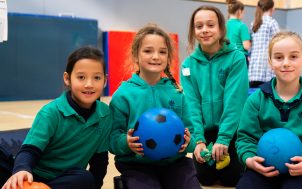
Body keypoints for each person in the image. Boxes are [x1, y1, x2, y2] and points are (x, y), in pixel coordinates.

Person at [235, 31, 302, 189]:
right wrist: (250, 159)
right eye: (278, 57)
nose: (286, 63)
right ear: (270, 62)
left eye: (293, 56)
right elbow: (245, 138)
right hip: (264, 167)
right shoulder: (256, 99)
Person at [1, 46, 112, 189]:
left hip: (64, 181)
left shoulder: (105, 115)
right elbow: (30, 149)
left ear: (105, 80)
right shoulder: (51, 112)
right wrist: (22, 170)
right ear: (67, 78)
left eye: (96, 77)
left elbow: (100, 161)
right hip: (31, 175)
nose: (89, 84)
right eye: (81, 77)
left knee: (85, 178)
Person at [109, 24, 201, 189]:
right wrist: (126, 143)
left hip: (175, 163)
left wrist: (189, 143)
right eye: (148, 51)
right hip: (137, 165)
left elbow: (192, 133)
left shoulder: (177, 93)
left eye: (162, 52)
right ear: (136, 56)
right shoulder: (123, 95)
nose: (156, 56)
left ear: (168, 57)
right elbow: (112, 138)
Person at [181, 5, 248, 187]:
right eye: (199, 26)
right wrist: (198, 141)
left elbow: (234, 102)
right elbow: (191, 105)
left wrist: (224, 139)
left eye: (210, 25)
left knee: (231, 179)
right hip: (205, 131)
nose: (204, 30)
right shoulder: (187, 65)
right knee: (205, 178)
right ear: (193, 31)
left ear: (221, 28)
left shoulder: (236, 58)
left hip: (232, 130)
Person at [248, 0, 280, 88]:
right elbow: (279, 43)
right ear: (272, 8)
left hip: (254, 68)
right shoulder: (272, 22)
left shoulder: (254, 23)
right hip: (266, 69)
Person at [225, 0, 251, 66]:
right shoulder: (242, 26)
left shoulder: (225, 25)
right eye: (243, 13)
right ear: (240, 11)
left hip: (227, 56)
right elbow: (246, 46)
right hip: (240, 57)